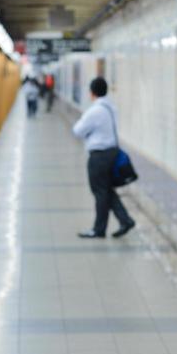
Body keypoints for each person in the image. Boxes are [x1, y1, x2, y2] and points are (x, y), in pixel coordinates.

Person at [72, 76, 135, 239]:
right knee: (106, 190)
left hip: (99, 155)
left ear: (92, 93)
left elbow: (78, 131)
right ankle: (125, 220)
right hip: (112, 152)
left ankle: (99, 229)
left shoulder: (95, 111)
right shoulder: (111, 107)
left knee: (100, 191)